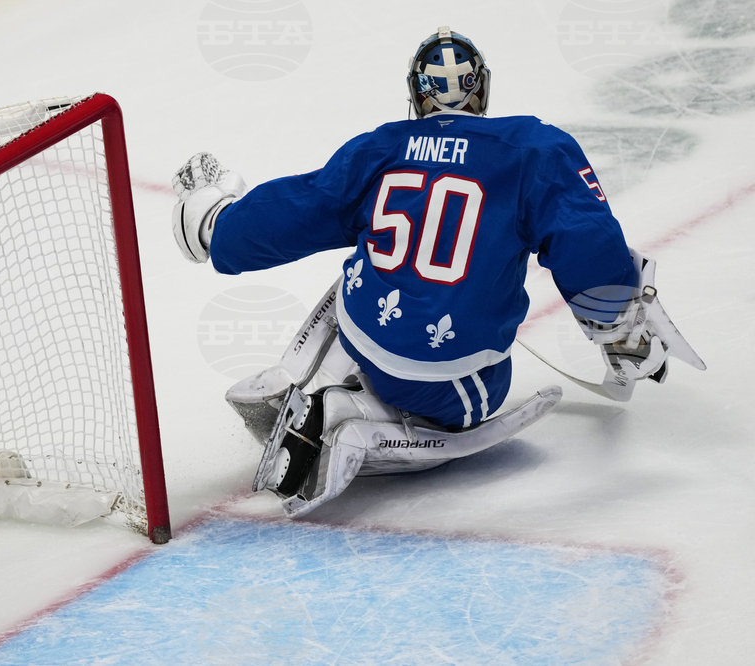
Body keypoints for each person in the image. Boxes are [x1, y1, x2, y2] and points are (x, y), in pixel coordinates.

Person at [171, 26, 705, 518]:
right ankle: (344, 411)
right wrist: (620, 329)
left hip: (363, 338)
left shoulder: (383, 147)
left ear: (417, 93)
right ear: (481, 89)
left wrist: (219, 228)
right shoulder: (534, 150)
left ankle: (299, 372)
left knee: (367, 270)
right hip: (452, 380)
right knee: (474, 394)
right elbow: (587, 244)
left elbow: (301, 207)